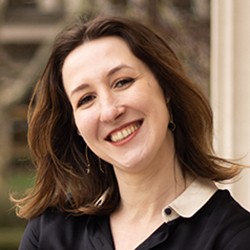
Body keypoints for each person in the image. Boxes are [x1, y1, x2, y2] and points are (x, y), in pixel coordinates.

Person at [13, 16, 250, 250]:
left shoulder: (235, 238)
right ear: (76, 126)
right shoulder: (49, 233)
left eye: (122, 82)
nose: (109, 111)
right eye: (86, 99)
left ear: (165, 88)